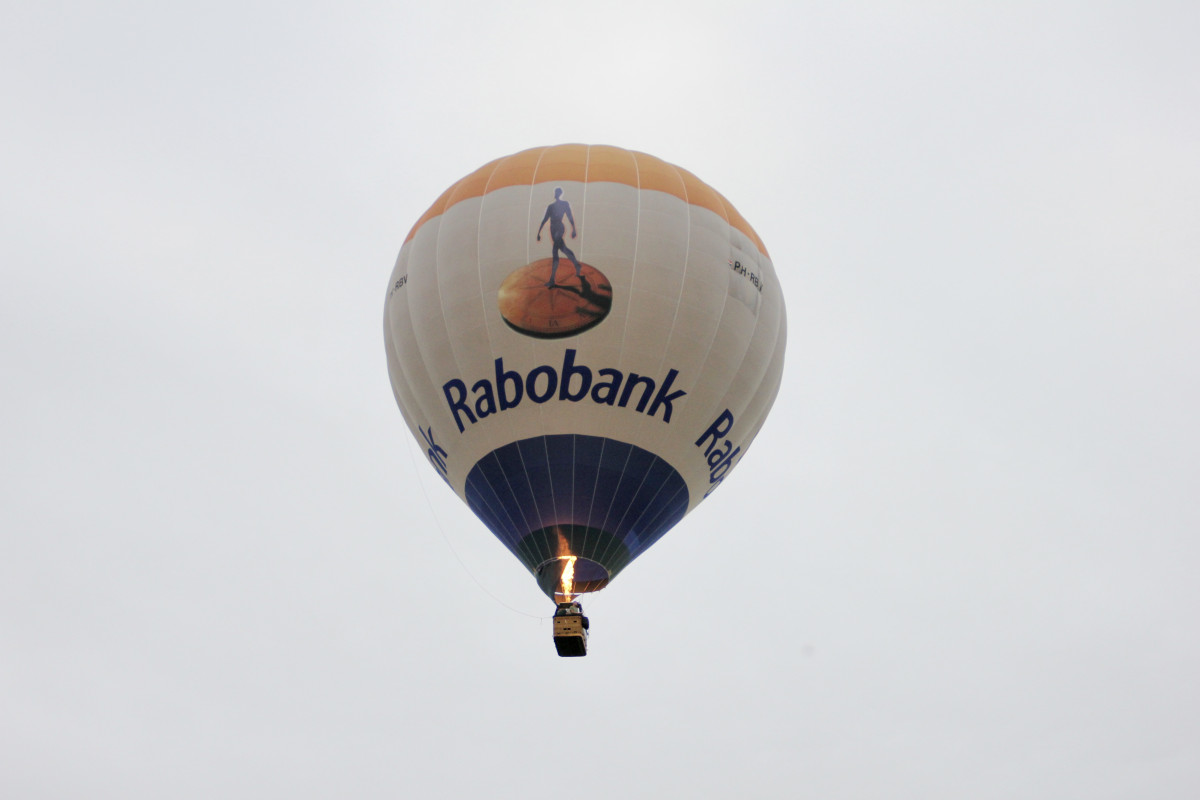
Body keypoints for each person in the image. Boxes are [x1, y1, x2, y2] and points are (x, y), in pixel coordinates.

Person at [536, 187, 583, 288]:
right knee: (563, 249)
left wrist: (574, 229)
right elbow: (545, 219)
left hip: (559, 228)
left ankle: (552, 279)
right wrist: (539, 232)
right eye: (556, 192)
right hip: (552, 229)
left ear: (559, 193)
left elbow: (570, 216)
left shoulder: (564, 204)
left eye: (558, 192)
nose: (556, 194)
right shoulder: (551, 206)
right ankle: (576, 265)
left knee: (555, 251)